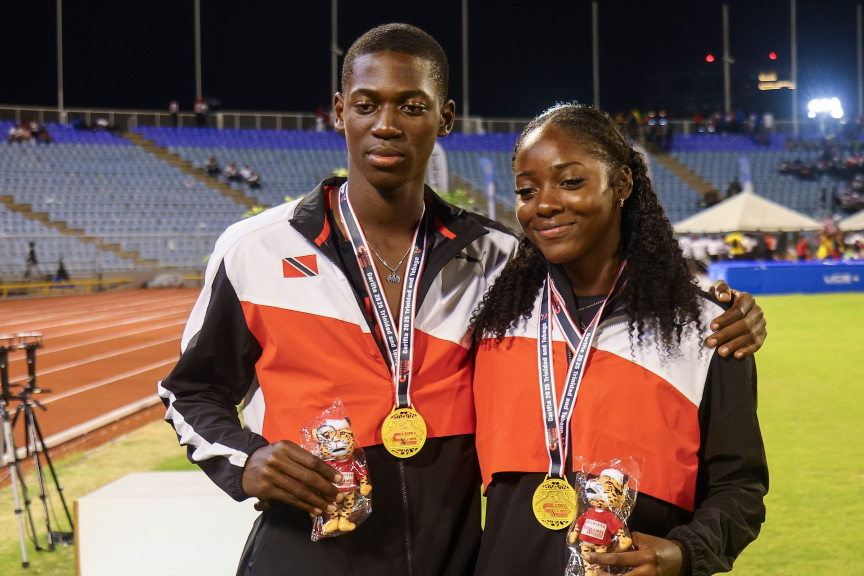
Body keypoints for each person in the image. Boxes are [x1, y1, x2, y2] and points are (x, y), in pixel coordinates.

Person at [158, 25, 768, 576]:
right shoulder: (257, 248)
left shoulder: (501, 262)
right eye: (367, 105)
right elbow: (191, 391)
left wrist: (719, 311)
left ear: (445, 118)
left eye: (413, 106)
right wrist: (244, 462)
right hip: (307, 552)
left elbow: (605, 288)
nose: (388, 124)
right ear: (340, 112)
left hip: (453, 559)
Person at [470, 104, 767, 576]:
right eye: (526, 190)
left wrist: (684, 552)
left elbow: (740, 488)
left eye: (571, 182)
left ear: (623, 184)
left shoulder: (706, 329)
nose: (543, 204)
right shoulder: (493, 321)